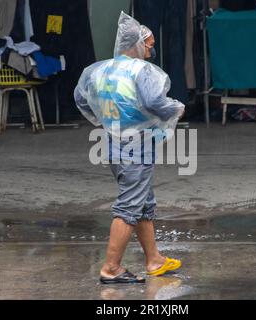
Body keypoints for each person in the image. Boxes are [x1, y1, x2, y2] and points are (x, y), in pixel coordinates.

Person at [74, 12, 185, 284]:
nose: (151, 51)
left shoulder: (97, 70)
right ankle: (111, 267)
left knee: (142, 203)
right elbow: (154, 102)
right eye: (148, 44)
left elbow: (80, 98)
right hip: (137, 146)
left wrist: (109, 118)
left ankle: (154, 260)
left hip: (113, 143)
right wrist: (176, 108)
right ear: (137, 44)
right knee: (129, 207)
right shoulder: (142, 71)